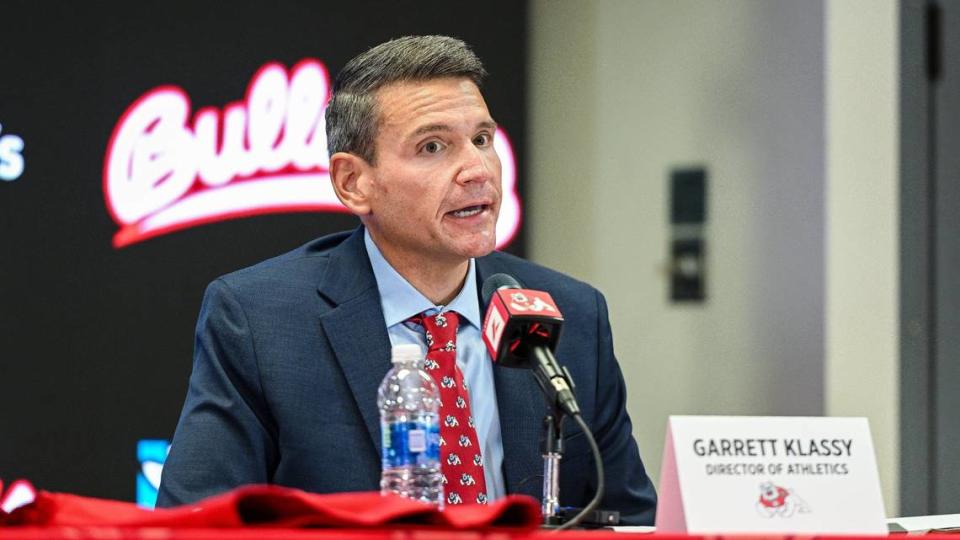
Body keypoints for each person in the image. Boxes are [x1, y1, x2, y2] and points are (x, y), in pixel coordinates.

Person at [156, 35, 657, 524]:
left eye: (482, 140)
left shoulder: (571, 314)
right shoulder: (260, 321)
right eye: (434, 146)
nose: (477, 170)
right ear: (354, 183)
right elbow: (196, 522)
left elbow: (631, 519)